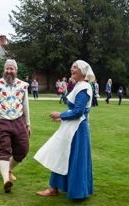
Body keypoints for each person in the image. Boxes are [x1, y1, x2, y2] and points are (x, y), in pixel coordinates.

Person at [34, 60, 95, 199]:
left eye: (75, 67)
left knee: (72, 157)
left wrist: (60, 114)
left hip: (78, 130)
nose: (71, 69)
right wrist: (62, 117)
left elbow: (79, 112)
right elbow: (74, 109)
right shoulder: (80, 85)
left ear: (82, 71)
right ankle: (54, 188)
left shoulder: (84, 87)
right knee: (61, 154)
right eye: (71, 66)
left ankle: (75, 191)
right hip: (72, 127)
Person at [0, 59, 31, 193]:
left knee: (23, 150)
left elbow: (25, 106)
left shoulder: (23, 85)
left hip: (19, 121)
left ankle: (8, 170)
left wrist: (28, 124)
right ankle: (6, 181)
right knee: (3, 149)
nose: (9, 71)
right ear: (4, 70)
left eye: (11, 69)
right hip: (1, 121)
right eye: (7, 69)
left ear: (16, 70)